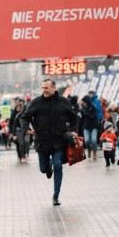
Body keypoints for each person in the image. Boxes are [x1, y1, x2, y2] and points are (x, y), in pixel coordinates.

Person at [19, 78, 79, 206]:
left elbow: (74, 118)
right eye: (43, 88)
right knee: (43, 169)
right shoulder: (37, 102)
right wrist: (26, 129)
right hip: (42, 141)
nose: (44, 90)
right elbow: (24, 116)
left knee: (58, 165)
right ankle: (48, 166)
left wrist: (74, 131)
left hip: (59, 141)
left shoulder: (64, 102)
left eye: (46, 88)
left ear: (53, 88)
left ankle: (56, 196)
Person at [79, 95, 100, 160]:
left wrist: (87, 114)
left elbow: (94, 116)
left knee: (93, 140)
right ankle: (89, 149)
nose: (83, 103)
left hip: (93, 126)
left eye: (84, 102)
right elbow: (82, 118)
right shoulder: (83, 108)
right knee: (87, 140)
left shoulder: (93, 107)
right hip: (86, 127)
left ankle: (95, 152)